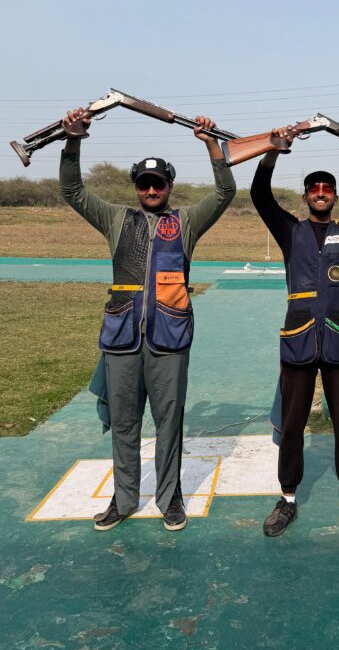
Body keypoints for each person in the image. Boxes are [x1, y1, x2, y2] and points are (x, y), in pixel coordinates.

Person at [60, 106, 236, 531]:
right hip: (121, 338)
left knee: (169, 423)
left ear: (170, 186)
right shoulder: (116, 218)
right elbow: (72, 190)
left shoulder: (185, 221)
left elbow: (225, 191)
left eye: (158, 183)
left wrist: (211, 144)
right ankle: (123, 500)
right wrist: (73, 139)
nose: (151, 189)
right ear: (136, 186)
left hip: (169, 339)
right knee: (124, 423)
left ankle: (170, 497)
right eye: (144, 183)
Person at [251, 123, 339, 537]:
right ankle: (287, 498)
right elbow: (260, 195)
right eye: (314, 188)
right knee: (293, 424)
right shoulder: (289, 231)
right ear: (306, 196)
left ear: (335, 197)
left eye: (327, 188)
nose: (321, 192)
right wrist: (273, 151)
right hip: (298, 341)